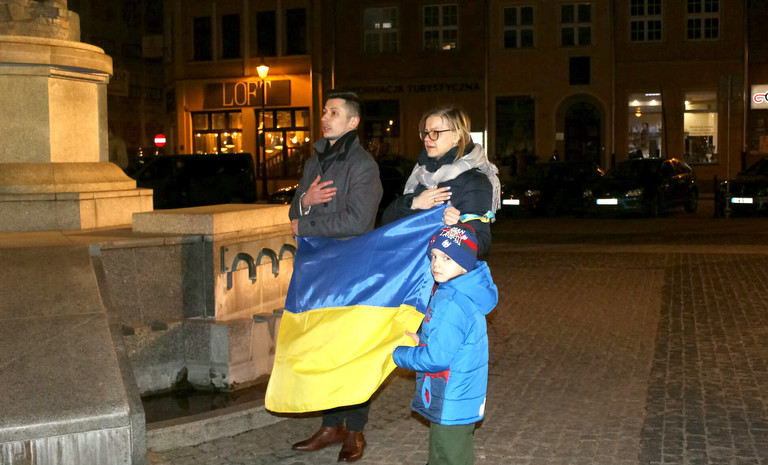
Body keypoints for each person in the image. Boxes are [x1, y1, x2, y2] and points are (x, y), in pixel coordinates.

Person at [288, 90, 383, 462]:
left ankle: (355, 430)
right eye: (325, 111)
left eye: (334, 113)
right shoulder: (315, 160)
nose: (325, 117)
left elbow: (358, 221)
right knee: (325, 347)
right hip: (319, 270)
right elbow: (294, 210)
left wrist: (306, 223)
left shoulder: (363, 165)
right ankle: (331, 426)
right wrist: (305, 202)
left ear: (353, 122)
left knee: (353, 351)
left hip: (352, 270)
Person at [393, 224, 498, 465]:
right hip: (457, 392)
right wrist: (422, 341)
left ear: (464, 264)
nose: (436, 264)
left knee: (449, 456)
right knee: (443, 451)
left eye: (447, 258)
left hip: (452, 396)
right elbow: (449, 341)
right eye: (434, 256)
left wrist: (399, 355)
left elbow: (437, 359)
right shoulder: (454, 291)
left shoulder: (451, 302)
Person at [381, 106, 500, 256]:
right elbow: (387, 223)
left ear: (457, 135)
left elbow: (481, 244)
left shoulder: (474, 181)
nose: (427, 138)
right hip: (412, 265)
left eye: (435, 132)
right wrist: (413, 203)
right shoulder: (420, 173)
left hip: (443, 269)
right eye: (426, 132)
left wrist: (457, 226)